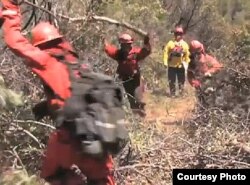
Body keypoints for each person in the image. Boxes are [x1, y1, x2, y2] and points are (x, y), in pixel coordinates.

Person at [1, 0, 127, 184]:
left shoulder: (47, 60)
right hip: (97, 132)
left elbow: (15, 42)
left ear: (40, 45)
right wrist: (47, 107)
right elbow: (74, 93)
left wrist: (10, 8)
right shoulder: (76, 64)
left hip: (70, 136)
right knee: (102, 179)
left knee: (54, 175)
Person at [104, 33, 151, 117]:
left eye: (128, 45)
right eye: (124, 45)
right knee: (131, 99)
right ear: (121, 45)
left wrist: (146, 43)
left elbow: (146, 51)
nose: (126, 47)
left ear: (130, 44)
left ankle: (141, 113)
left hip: (136, 79)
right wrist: (104, 40)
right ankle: (137, 117)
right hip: (125, 79)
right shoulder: (118, 54)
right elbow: (108, 49)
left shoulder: (136, 53)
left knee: (138, 97)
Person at [188, 40, 223, 105]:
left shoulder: (208, 59)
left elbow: (218, 66)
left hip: (211, 86)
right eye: (194, 54)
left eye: (198, 53)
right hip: (199, 88)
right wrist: (194, 82)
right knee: (201, 103)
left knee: (214, 102)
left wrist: (210, 72)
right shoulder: (191, 63)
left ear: (201, 51)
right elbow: (190, 75)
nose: (196, 56)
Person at [163, 26, 190, 97]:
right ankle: (172, 94)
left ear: (182, 35)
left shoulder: (185, 44)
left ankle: (181, 94)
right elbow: (165, 52)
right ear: (174, 34)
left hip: (181, 66)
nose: (178, 35)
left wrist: (187, 64)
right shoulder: (170, 43)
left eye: (180, 34)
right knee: (171, 81)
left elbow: (187, 55)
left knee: (181, 81)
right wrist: (165, 62)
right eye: (177, 33)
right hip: (172, 66)